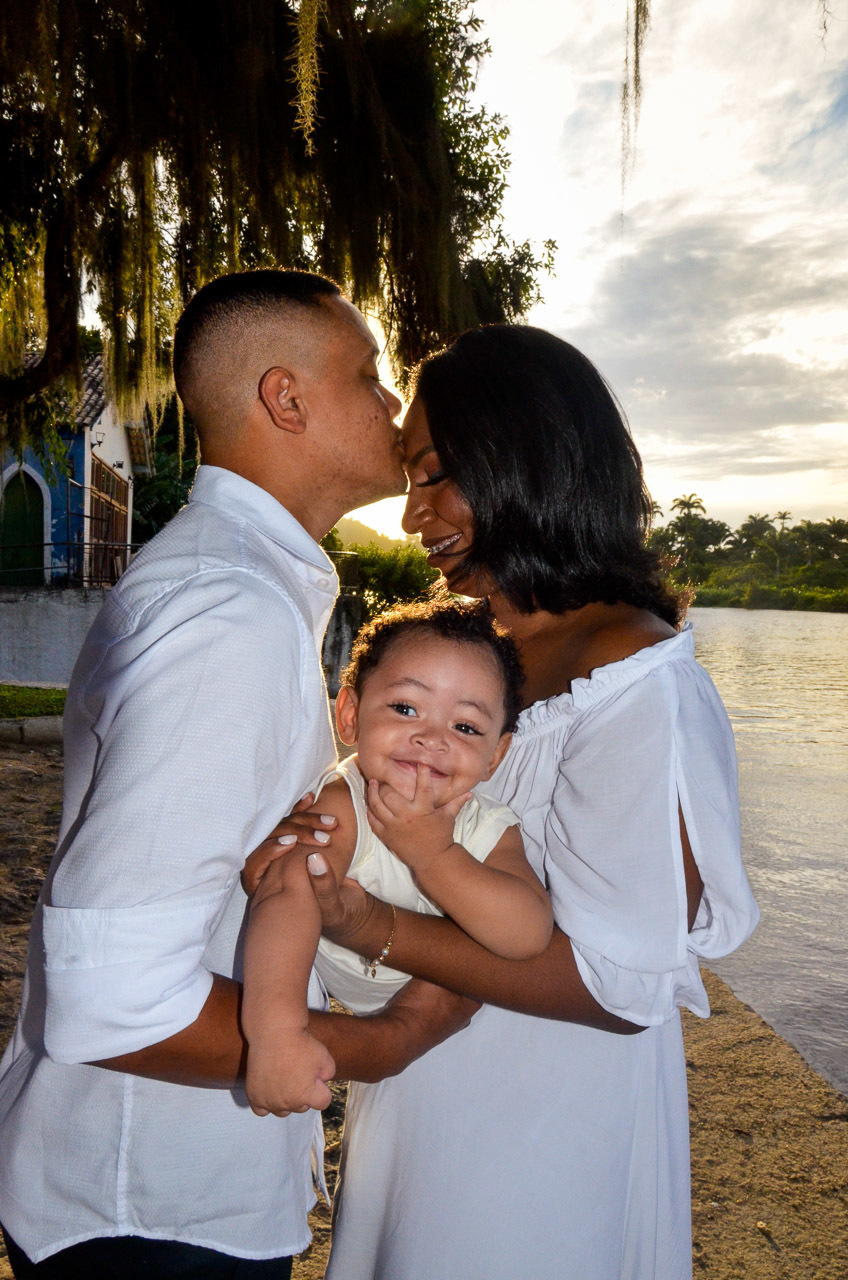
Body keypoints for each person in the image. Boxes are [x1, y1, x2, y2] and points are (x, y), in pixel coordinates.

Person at [0, 270, 475, 1278]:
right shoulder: (231, 614)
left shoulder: (237, 585)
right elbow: (113, 998)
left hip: (159, 1189)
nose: (392, 404)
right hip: (151, 1208)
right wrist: (373, 1045)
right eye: (368, 373)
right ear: (286, 398)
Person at [300, 325, 761, 1280]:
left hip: (540, 1137)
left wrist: (373, 926)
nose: (413, 515)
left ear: (526, 458)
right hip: (424, 1096)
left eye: (434, 474)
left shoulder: (636, 681)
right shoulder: (475, 651)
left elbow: (619, 985)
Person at [241, 598, 552, 1119]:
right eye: (406, 708)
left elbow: (527, 934)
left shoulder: (488, 828)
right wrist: (276, 1035)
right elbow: (285, 892)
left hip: (460, 1014)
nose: (431, 739)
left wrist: (434, 853)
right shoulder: (345, 803)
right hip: (361, 1005)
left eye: (466, 728)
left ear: (495, 756)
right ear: (350, 715)